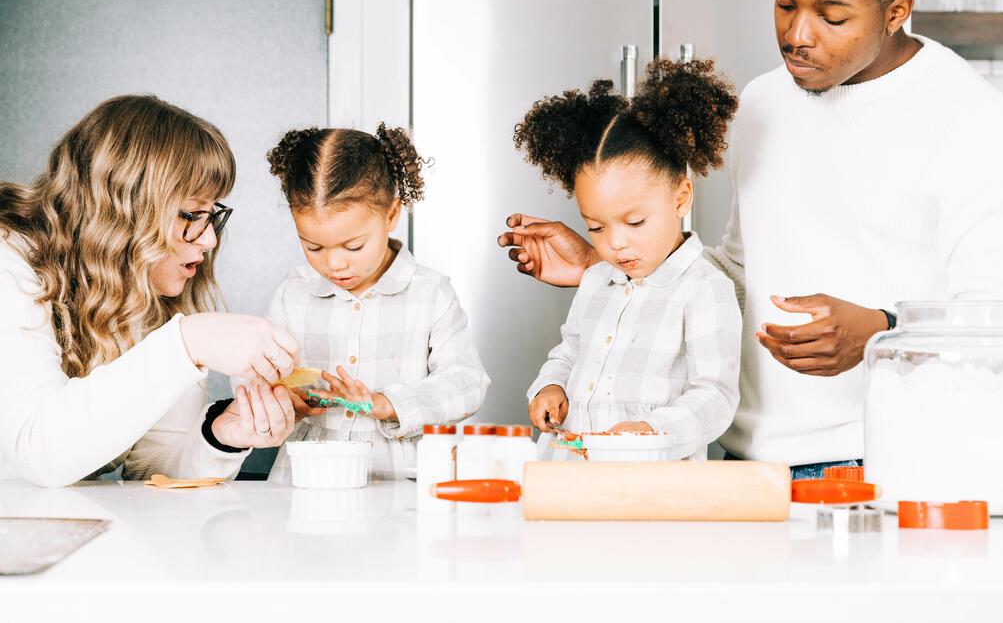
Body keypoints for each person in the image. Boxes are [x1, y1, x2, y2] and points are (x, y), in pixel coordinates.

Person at [498, 0, 1003, 478]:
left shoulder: (980, 125)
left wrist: (880, 333)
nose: (797, 35)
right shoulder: (763, 104)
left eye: (832, 16)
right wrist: (607, 262)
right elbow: (740, 273)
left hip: (882, 468)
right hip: (746, 464)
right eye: (785, 3)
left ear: (896, 12)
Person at [0, 94, 304, 487]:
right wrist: (186, 342)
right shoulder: (10, 260)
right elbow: (39, 454)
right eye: (191, 215)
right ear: (122, 209)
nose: (209, 239)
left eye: (211, 215)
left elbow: (154, 468)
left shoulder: (150, 292)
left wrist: (222, 436)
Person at [516, 60, 742, 461]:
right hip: (571, 475)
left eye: (635, 222)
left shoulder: (705, 289)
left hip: (650, 487)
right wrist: (550, 387)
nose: (616, 244)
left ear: (681, 198)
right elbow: (568, 353)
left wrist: (653, 433)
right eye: (596, 228)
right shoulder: (596, 280)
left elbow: (715, 396)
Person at [257, 124, 489, 480]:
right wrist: (278, 396)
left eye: (353, 247)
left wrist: (388, 404)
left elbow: (467, 383)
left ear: (392, 215)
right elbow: (253, 372)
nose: (334, 264)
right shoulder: (293, 293)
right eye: (313, 247)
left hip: (397, 478)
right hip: (304, 476)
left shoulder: (430, 293)